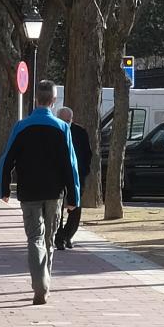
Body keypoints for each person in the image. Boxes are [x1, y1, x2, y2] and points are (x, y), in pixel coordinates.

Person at [0, 82, 79, 304]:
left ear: (35, 100)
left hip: (29, 191)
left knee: (35, 238)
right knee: (49, 239)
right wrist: (74, 197)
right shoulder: (62, 128)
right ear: (54, 101)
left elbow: (7, 159)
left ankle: (39, 284)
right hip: (54, 192)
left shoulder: (21, 126)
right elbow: (70, 166)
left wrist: (4, 188)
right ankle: (45, 283)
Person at [54, 105, 93, 250]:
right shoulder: (53, 130)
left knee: (75, 207)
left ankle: (67, 235)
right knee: (57, 207)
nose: (65, 123)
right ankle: (59, 237)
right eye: (62, 120)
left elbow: (87, 153)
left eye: (68, 120)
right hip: (58, 175)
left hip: (76, 174)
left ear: (72, 119)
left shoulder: (80, 132)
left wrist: (83, 171)